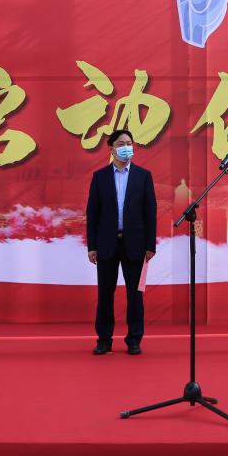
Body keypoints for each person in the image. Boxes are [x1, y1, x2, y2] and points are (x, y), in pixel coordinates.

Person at [86, 129, 156, 355]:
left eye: (129, 143)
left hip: (135, 244)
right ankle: (104, 340)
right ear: (112, 149)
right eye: (121, 143)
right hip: (107, 244)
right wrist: (92, 246)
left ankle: (134, 339)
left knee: (135, 296)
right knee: (105, 294)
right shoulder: (100, 177)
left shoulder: (143, 176)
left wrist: (150, 245)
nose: (127, 147)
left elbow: (150, 212)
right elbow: (93, 213)